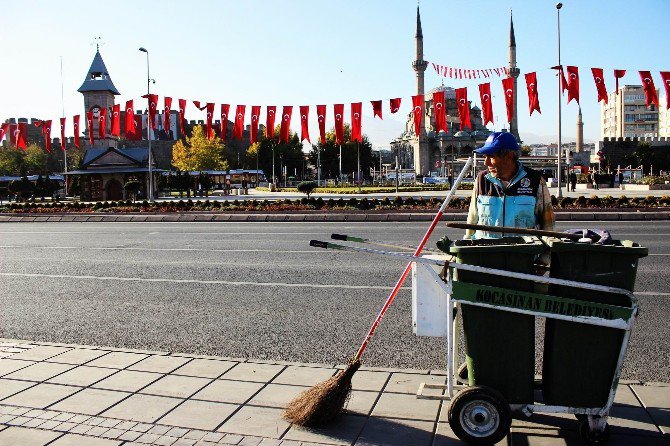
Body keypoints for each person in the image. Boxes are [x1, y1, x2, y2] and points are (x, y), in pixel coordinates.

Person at [466, 132, 555, 239]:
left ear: (509, 156)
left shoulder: (535, 181)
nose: (486, 163)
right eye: (485, 157)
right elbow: (472, 221)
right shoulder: (482, 180)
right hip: (486, 254)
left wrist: (546, 253)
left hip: (524, 254)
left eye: (491, 157)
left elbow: (548, 226)